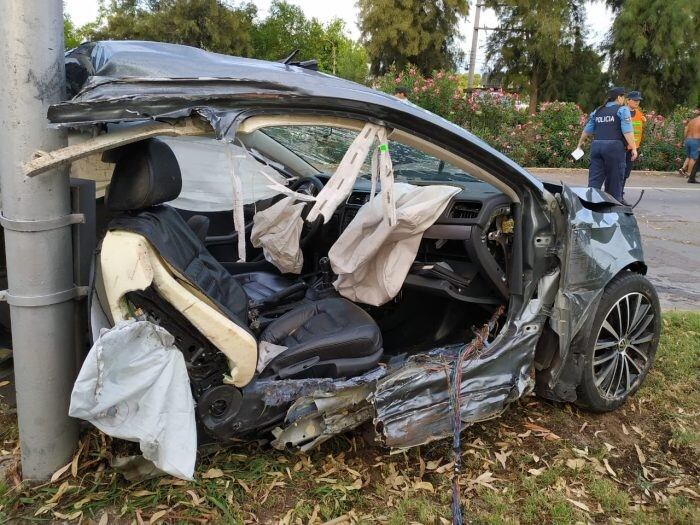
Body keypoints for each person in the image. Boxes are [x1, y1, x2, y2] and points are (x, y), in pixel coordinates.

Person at [576, 87, 638, 202]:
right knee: (615, 180)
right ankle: (613, 207)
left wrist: (579, 144)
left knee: (594, 180)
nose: (624, 100)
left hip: (596, 147)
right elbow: (627, 130)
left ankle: (591, 206)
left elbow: (587, 130)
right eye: (623, 97)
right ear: (619, 97)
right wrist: (634, 148)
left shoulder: (598, 110)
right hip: (614, 148)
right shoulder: (622, 110)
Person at [623, 91, 646, 197]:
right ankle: (618, 194)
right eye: (635, 100)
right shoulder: (622, 112)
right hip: (622, 147)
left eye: (639, 101)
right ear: (628, 100)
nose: (637, 102)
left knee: (626, 173)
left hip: (634, 148)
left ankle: (619, 193)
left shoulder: (639, 114)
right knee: (620, 172)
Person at [680, 115, 700, 183]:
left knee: (689, 157)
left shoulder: (692, 120)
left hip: (688, 140)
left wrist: (683, 141)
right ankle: (690, 175)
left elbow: (686, 131)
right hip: (696, 140)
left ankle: (686, 171)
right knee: (693, 158)